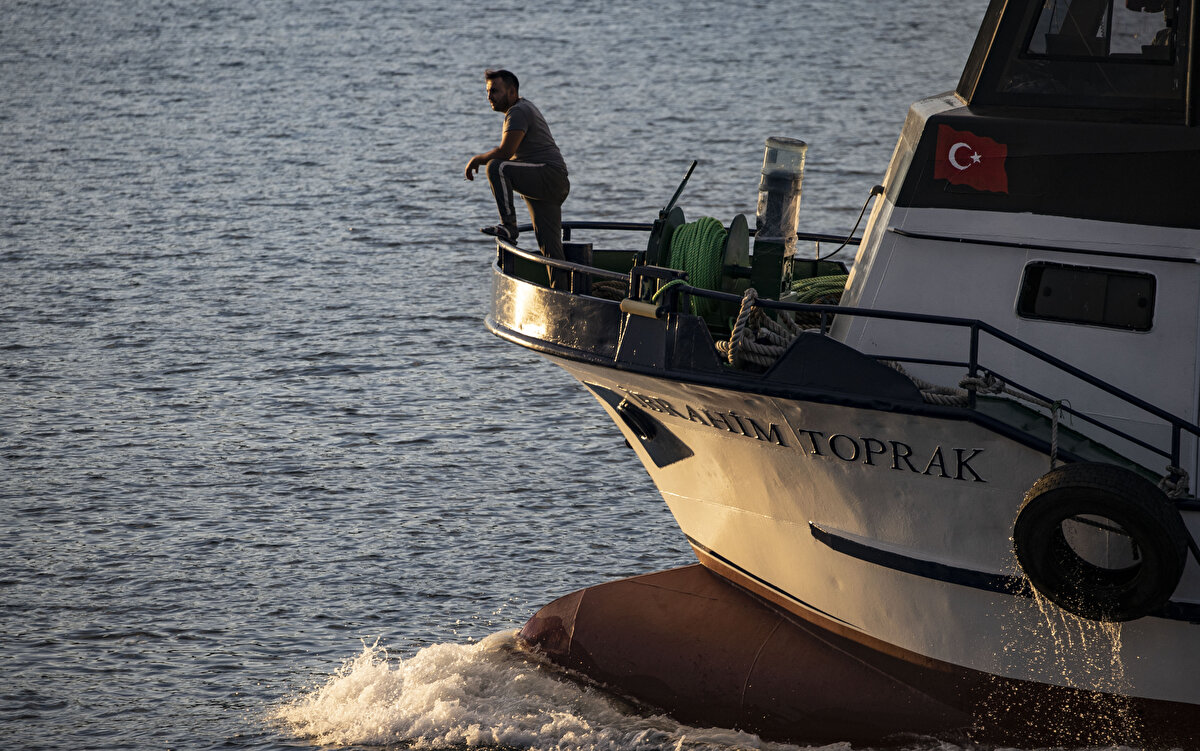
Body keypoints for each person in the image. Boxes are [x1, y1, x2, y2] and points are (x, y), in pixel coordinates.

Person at [464, 69, 570, 261]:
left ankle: (509, 226)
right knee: (551, 251)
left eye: (495, 91)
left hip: (548, 175)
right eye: (487, 91)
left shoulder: (518, 111)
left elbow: (505, 152)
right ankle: (560, 289)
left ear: (512, 92)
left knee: (496, 167)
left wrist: (478, 159)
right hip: (549, 183)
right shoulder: (521, 108)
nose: (489, 96)